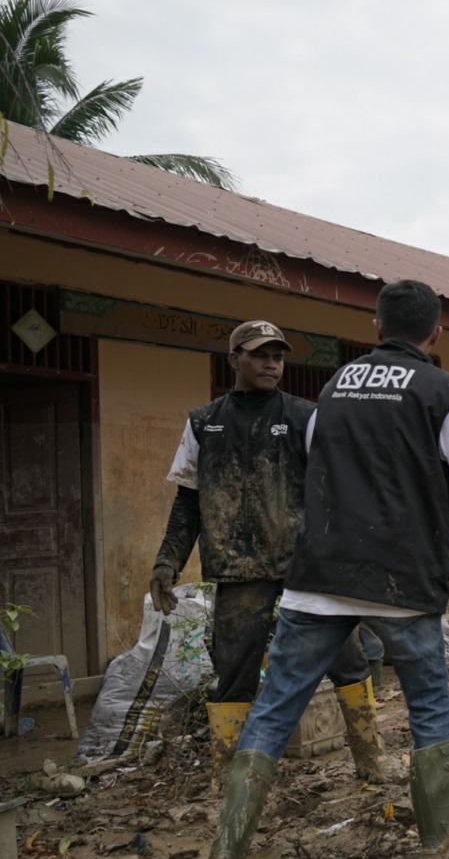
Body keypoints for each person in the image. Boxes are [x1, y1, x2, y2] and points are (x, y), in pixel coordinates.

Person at [191, 281, 449, 859]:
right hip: (400, 580)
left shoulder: (330, 390)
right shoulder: (444, 392)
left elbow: (324, 467)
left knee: (273, 712)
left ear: (375, 324)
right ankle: (438, 841)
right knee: (429, 708)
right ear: (435, 333)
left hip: (319, 574)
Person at [151, 319, 400, 788]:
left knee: (345, 658)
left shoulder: (306, 416)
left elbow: (338, 488)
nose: (271, 364)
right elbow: (188, 499)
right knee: (234, 673)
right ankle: (228, 775)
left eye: (278, 356)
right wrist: (168, 559)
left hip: (306, 568)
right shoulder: (204, 422)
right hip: (238, 570)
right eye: (260, 354)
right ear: (234, 360)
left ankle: (371, 756)